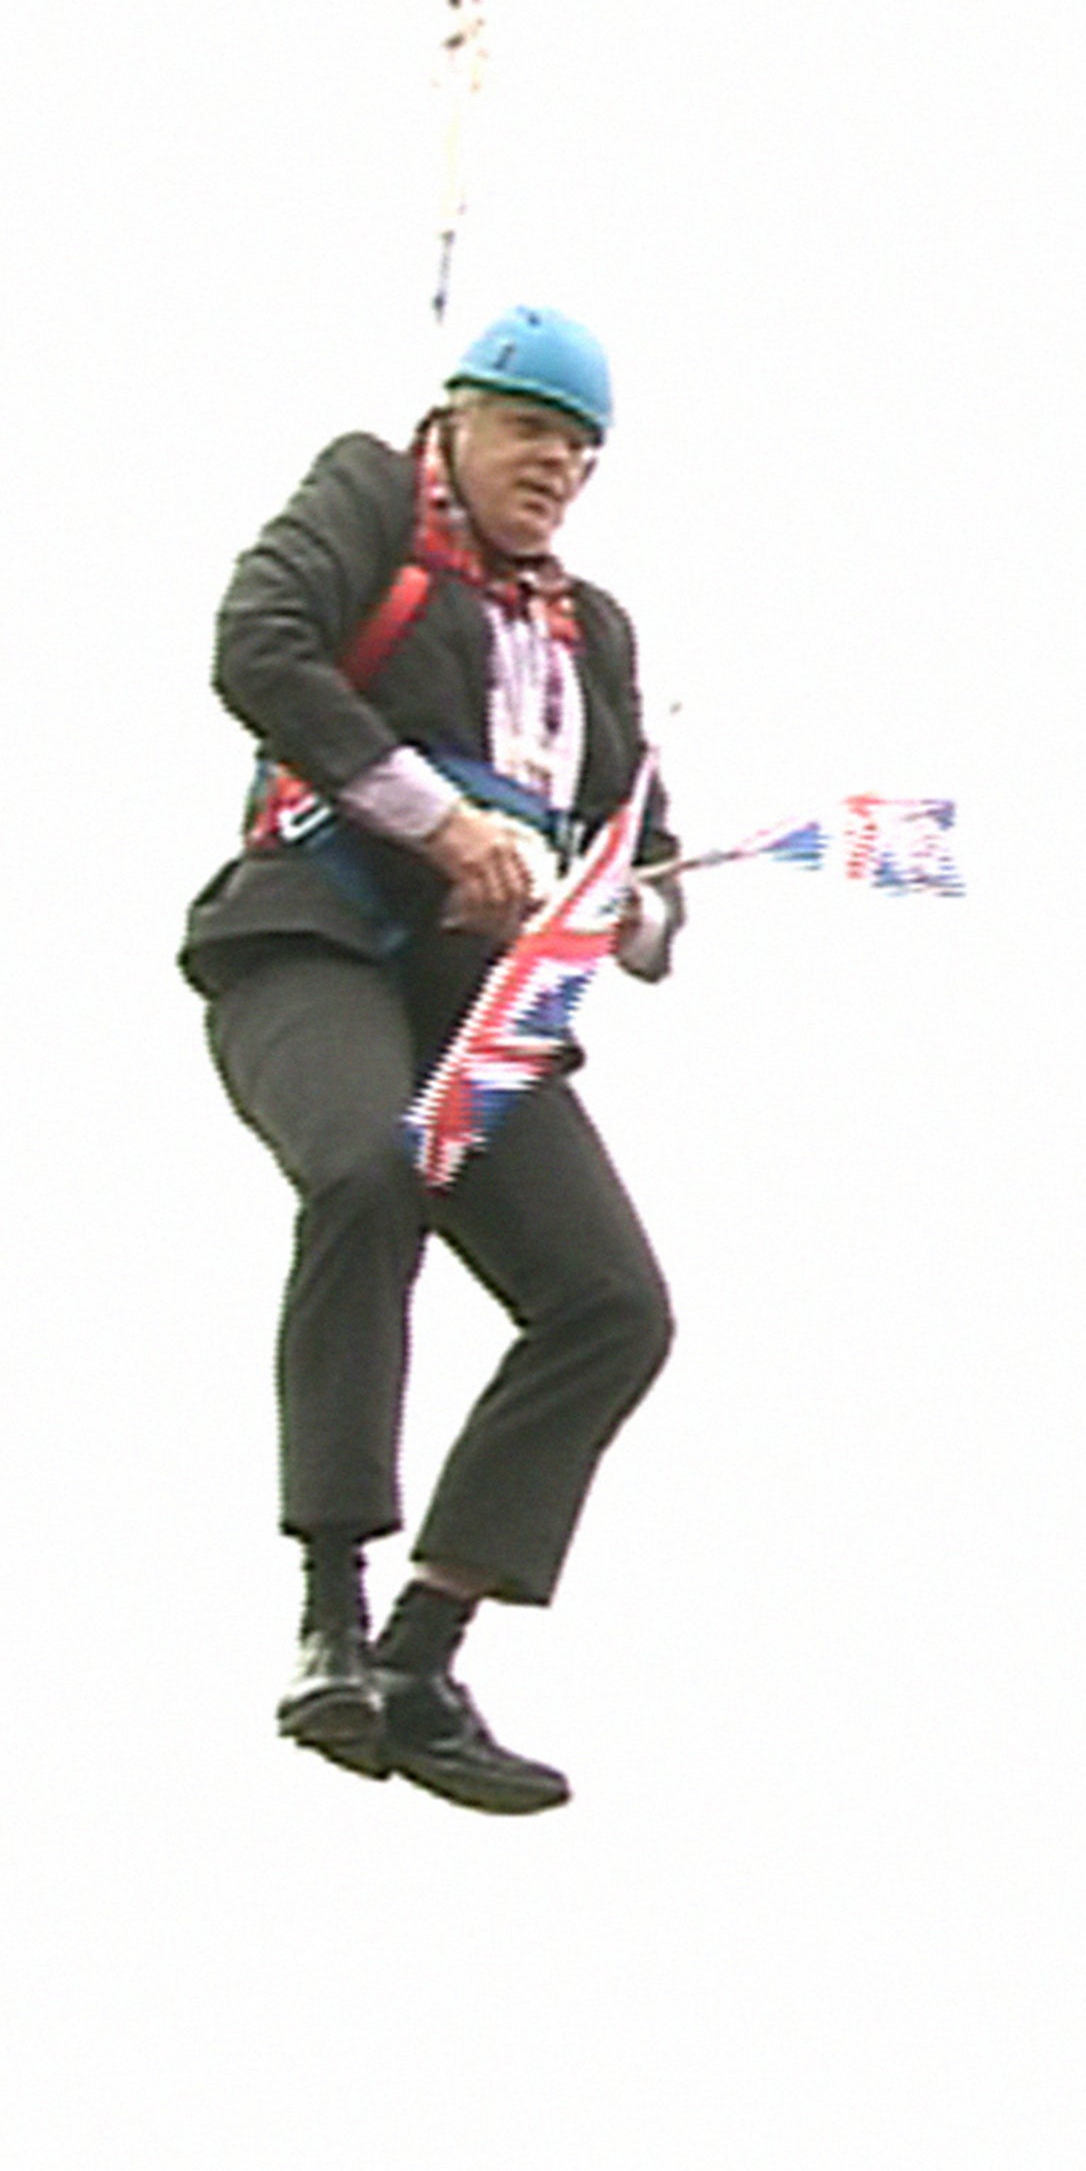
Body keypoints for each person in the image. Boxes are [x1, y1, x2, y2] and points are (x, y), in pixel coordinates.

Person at [181, 305, 679, 1815]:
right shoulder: (365, 501)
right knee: (363, 1170)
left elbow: (636, 840)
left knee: (611, 1304)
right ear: (459, 421)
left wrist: (635, 905)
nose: (557, 470)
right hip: (316, 942)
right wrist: (434, 818)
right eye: (534, 432)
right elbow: (255, 649)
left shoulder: (587, 628)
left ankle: (423, 1650)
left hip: (479, 1003)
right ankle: (328, 1615)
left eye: (580, 454)